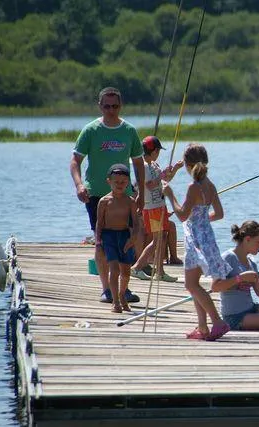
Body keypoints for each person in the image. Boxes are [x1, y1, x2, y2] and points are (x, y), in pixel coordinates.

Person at [69, 87, 145, 304]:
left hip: (125, 196)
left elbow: (139, 164)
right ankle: (106, 290)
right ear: (99, 106)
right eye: (106, 106)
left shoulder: (129, 131)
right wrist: (79, 185)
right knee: (101, 242)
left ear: (120, 106)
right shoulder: (91, 130)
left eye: (115, 106)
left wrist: (140, 192)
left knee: (128, 240)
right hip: (97, 196)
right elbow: (75, 161)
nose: (111, 110)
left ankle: (124, 289)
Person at [161, 144, 232, 341]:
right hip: (207, 237)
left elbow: (182, 215)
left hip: (195, 240)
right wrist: (200, 219)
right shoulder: (210, 185)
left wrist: (170, 195)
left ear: (187, 165)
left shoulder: (193, 187)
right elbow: (219, 214)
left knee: (192, 285)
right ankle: (203, 328)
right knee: (194, 285)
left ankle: (217, 322)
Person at [130, 136, 183, 282]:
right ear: (152, 151)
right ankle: (137, 267)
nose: (159, 153)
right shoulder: (144, 167)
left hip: (160, 206)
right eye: (158, 150)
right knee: (157, 239)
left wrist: (175, 170)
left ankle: (159, 272)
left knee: (162, 237)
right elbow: (149, 185)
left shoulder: (154, 165)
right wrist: (162, 174)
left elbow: (164, 181)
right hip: (151, 207)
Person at [95, 164, 139, 313]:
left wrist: (133, 239)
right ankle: (115, 302)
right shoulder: (104, 201)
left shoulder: (130, 201)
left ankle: (122, 296)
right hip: (109, 237)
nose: (120, 185)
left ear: (128, 182)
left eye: (123, 182)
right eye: (116, 182)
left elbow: (136, 223)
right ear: (109, 181)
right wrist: (98, 243)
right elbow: (99, 223)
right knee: (114, 269)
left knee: (126, 273)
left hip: (124, 237)